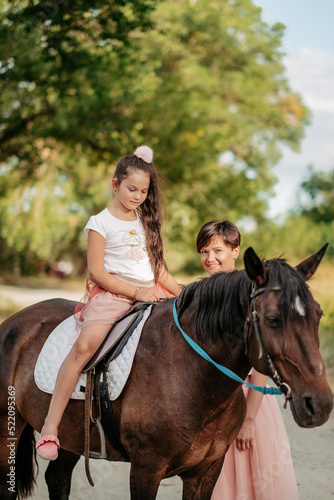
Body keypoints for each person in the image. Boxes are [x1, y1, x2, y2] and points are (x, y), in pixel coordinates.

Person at [36, 145, 182, 461]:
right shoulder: (100, 222)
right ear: (115, 184)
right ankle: (51, 424)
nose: (138, 196)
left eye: (144, 191)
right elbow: (97, 271)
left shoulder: (146, 222)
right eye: (132, 189)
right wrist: (135, 292)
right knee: (85, 346)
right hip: (114, 295)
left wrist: (184, 293)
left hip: (151, 293)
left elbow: (160, 272)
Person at [196, 220, 299, 500]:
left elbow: (261, 362)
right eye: (204, 252)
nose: (210, 258)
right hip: (216, 404)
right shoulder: (206, 291)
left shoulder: (249, 293)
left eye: (217, 250)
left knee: (253, 482)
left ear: (235, 251)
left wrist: (249, 420)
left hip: (247, 401)